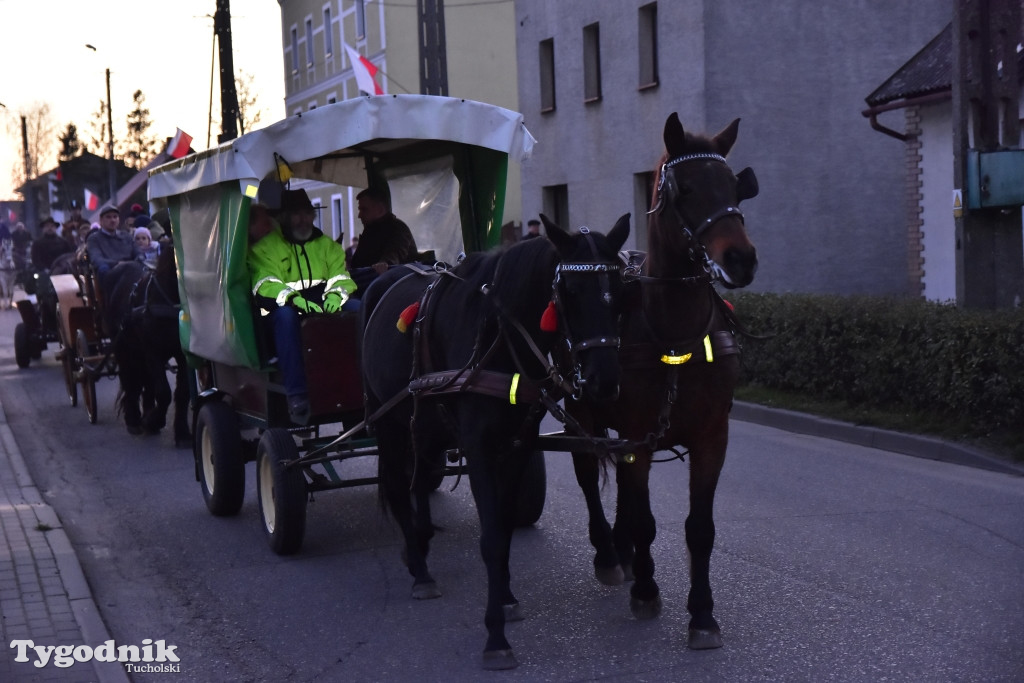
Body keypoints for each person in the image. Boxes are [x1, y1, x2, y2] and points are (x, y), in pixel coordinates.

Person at [248, 189, 358, 424]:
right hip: (283, 308)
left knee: (361, 309)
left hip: (323, 301)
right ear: (284, 217)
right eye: (296, 214)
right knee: (286, 318)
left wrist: (336, 297)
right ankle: (297, 395)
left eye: (307, 214)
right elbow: (266, 283)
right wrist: (294, 300)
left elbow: (340, 278)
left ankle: (365, 381)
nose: (303, 220)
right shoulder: (265, 248)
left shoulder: (328, 246)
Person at [349, 186, 418, 293]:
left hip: (396, 291)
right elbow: (357, 264)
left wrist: (385, 263)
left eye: (364, 209)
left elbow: (395, 252)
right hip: (370, 287)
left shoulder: (398, 228)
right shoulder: (369, 232)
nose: (359, 215)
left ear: (380, 209)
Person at [86, 203, 141, 293]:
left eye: (115, 217)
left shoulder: (126, 236)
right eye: (108, 217)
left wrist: (138, 260)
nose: (112, 220)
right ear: (101, 220)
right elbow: (97, 260)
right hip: (111, 271)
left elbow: (139, 252)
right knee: (102, 269)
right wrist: (118, 264)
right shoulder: (94, 238)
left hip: (131, 268)